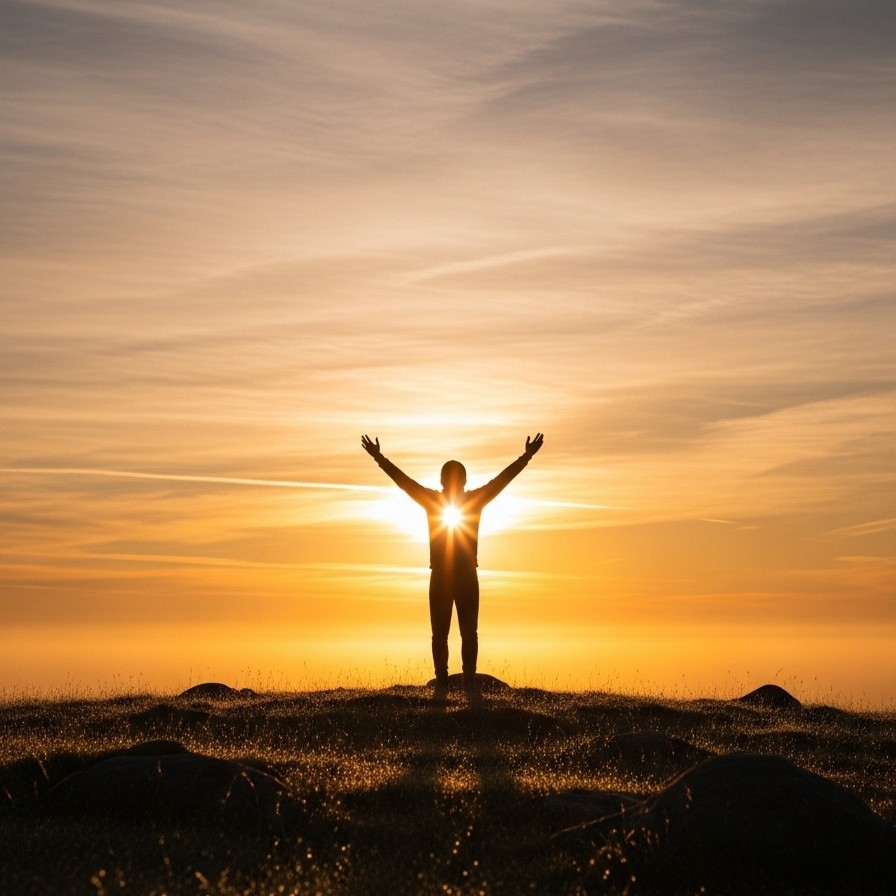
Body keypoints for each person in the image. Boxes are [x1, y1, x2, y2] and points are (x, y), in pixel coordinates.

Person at [361, 433, 544, 689]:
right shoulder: (462, 500)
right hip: (457, 575)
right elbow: (501, 480)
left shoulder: (440, 500)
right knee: (453, 634)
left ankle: (453, 682)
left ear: (444, 480)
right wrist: (379, 458)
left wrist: (526, 457)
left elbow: (404, 482)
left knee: (454, 634)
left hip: (453, 575)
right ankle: (456, 681)